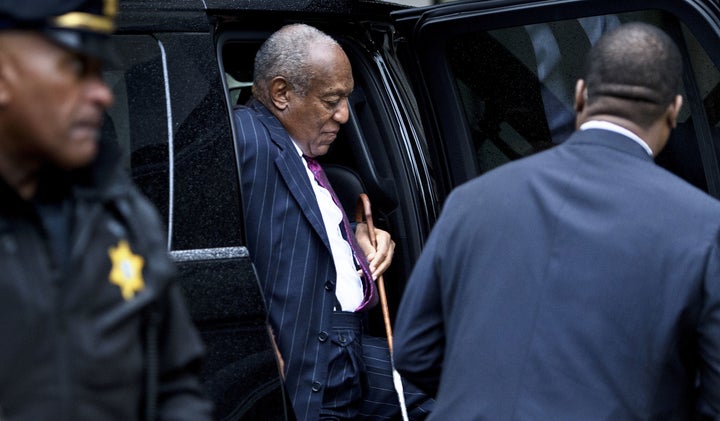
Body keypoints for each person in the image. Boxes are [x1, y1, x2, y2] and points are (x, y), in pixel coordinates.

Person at [393, 22, 720, 420]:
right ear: (674, 110)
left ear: (581, 94)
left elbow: (414, 351)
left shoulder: (471, 201)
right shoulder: (703, 226)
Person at [0, 1, 213, 420]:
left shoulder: (123, 215)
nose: (101, 93)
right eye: (78, 68)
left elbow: (175, 385)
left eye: (100, 72)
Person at [234, 23, 432, 420]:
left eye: (345, 99)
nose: (343, 115)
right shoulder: (247, 135)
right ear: (281, 94)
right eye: (331, 100)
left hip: (347, 344)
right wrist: (255, 341)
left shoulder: (299, 154)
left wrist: (350, 237)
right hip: (308, 359)